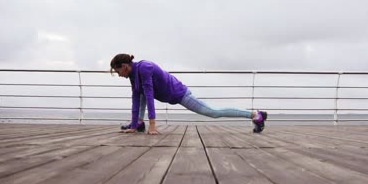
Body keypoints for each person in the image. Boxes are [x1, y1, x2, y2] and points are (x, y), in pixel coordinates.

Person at [110, 54, 267, 135]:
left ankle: (255, 115)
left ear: (124, 66)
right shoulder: (132, 75)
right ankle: (137, 123)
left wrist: (152, 125)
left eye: (117, 71)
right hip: (169, 95)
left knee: (212, 112)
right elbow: (136, 98)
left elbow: (150, 96)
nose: (118, 75)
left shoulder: (144, 67)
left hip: (179, 93)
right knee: (139, 92)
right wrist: (132, 124)